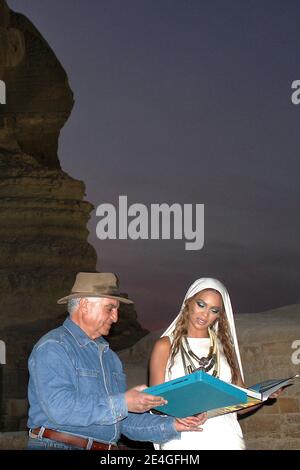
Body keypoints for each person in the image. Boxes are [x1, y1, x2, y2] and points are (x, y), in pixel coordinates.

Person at [27, 272, 205, 450]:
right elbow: (60, 407)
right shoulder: (54, 347)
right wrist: (124, 402)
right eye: (110, 308)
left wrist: (173, 425)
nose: (115, 317)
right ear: (85, 305)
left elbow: (123, 422)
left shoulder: (110, 358)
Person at [149, 277, 282, 450]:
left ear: (220, 315)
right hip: (183, 439)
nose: (205, 314)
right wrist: (183, 411)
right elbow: (155, 402)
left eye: (214, 310)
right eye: (201, 304)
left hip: (226, 439)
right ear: (188, 302)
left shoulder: (225, 348)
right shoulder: (165, 345)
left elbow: (240, 405)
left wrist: (264, 396)